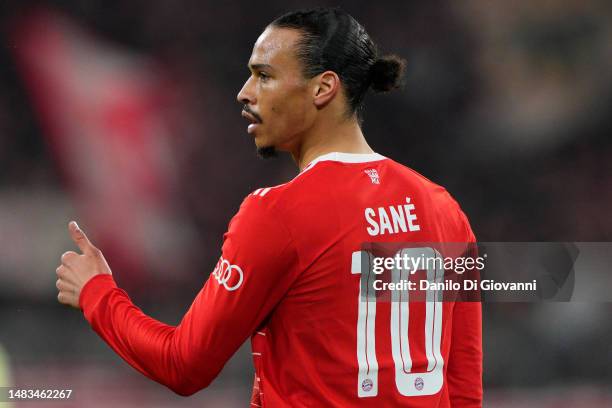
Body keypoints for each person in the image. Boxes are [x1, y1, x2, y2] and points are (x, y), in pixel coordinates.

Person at [55, 7, 482, 407]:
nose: (245, 93)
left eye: (264, 76)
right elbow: (463, 390)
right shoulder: (443, 209)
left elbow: (183, 365)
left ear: (323, 88)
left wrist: (97, 293)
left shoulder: (280, 214)